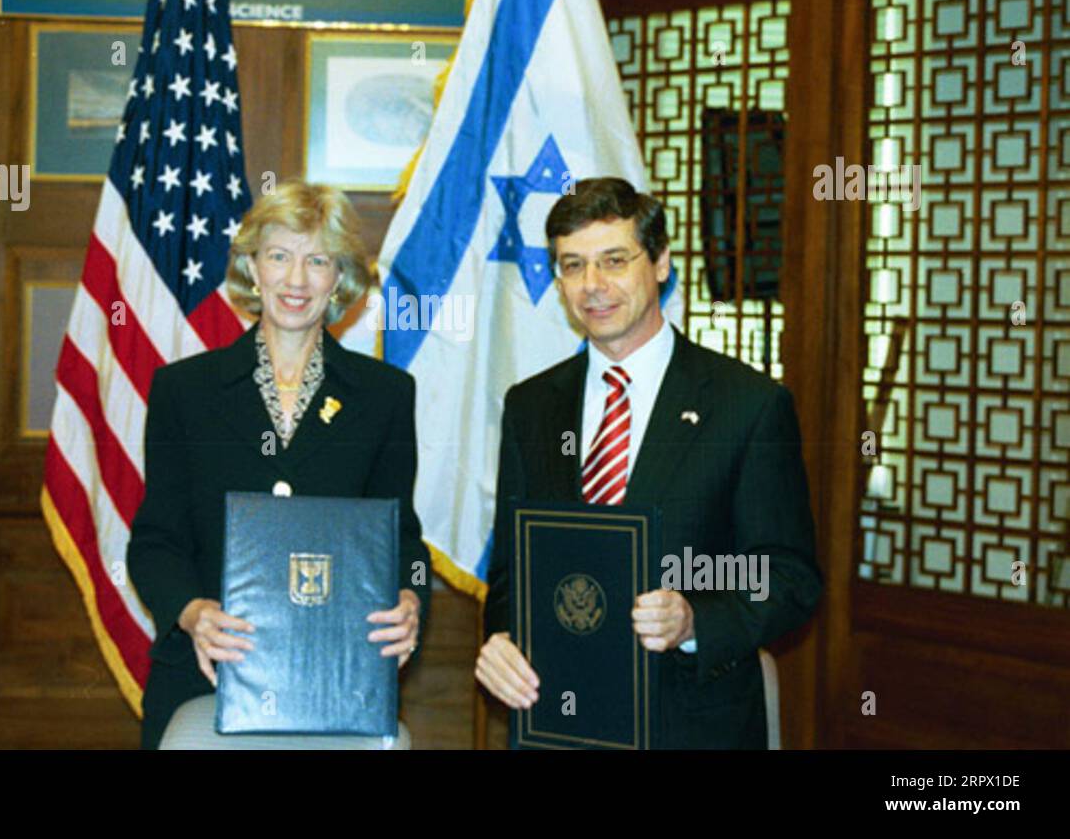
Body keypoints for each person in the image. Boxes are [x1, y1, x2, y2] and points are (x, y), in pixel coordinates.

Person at [475, 177, 822, 749]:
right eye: (572, 266)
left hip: (690, 724)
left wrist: (694, 621)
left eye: (614, 260)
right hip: (557, 719)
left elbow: (789, 577)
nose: (593, 286)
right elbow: (514, 570)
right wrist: (502, 639)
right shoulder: (531, 406)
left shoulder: (748, 405)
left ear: (660, 262)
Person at [128, 181, 431, 750]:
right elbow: (154, 541)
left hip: (336, 678)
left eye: (317, 260)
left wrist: (412, 599)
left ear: (340, 277)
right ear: (252, 268)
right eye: (279, 256)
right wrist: (193, 613)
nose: (296, 280)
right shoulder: (183, 390)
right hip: (205, 673)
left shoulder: (386, 395)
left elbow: (405, 544)